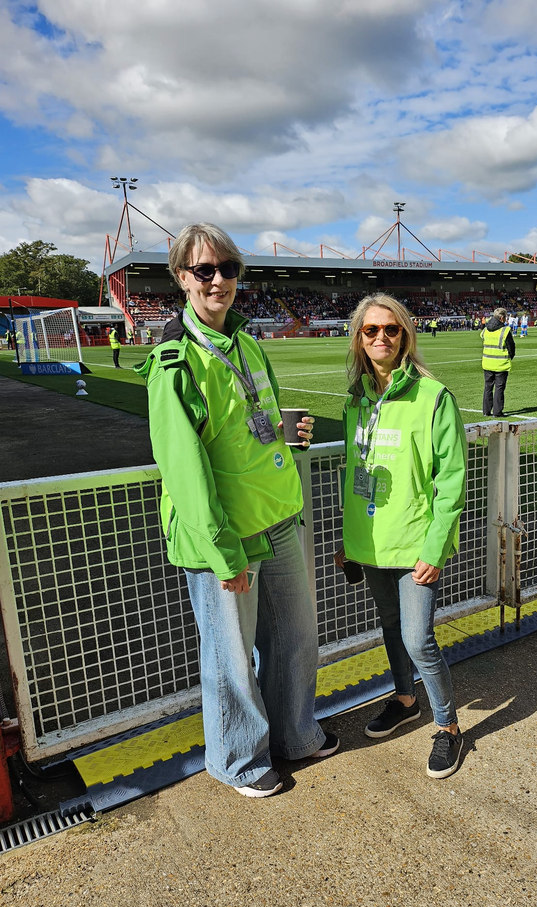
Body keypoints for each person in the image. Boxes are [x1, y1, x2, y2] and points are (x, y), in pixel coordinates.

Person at [135, 223, 338, 799]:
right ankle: (236, 761)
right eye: (204, 270)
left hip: (276, 516)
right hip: (224, 533)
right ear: (182, 279)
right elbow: (184, 471)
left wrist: (281, 429)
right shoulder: (173, 363)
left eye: (228, 269)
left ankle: (295, 735)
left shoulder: (246, 341)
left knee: (296, 638)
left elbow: (246, 423)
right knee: (231, 661)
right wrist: (222, 552)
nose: (218, 280)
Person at [334, 293, 467, 779]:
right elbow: (355, 474)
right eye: (371, 331)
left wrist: (435, 548)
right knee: (390, 628)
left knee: (418, 638)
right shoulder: (355, 401)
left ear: (406, 335)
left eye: (391, 329)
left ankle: (449, 727)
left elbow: (451, 481)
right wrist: (348, 540)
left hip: (415, 544)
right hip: (370, 542)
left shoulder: (434, 397)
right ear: (359, 339)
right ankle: (406, 699)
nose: (381, 338)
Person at [481, 307, 516, 417]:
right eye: (505, 317)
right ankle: (497, 412)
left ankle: (486, 411)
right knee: (499, 388)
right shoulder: (505, 330)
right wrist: (510, 356)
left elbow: (483, 338)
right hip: (501, 364)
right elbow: (511, 347)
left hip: (487, 362)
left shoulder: (485, 329)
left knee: (488, 387)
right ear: (501, 318)